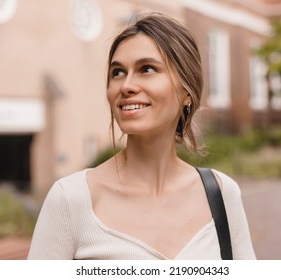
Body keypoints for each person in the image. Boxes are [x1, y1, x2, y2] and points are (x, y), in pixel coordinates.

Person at [28, 13, 256, 260]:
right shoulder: (70, 199)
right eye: (117, 72)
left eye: (146, 69)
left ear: (187, 91)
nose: (126, 85)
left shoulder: (221, 194)